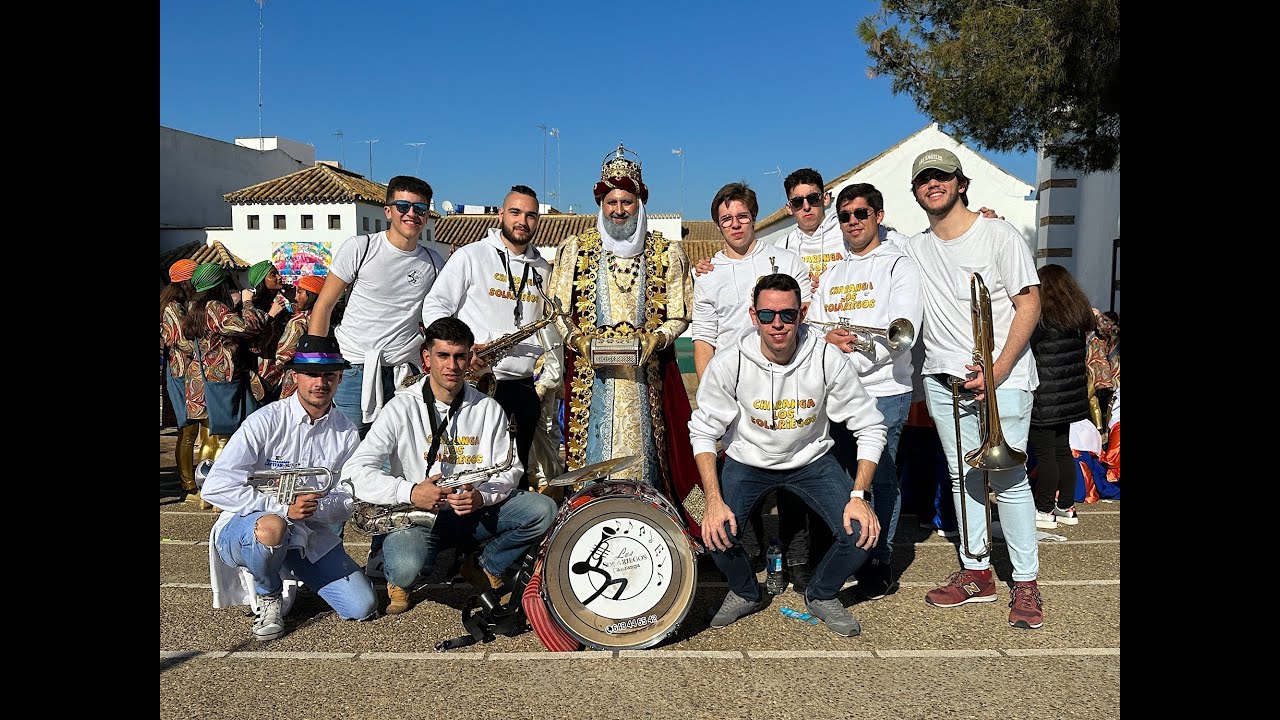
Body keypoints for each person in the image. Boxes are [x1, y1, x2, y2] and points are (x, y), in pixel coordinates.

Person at [689, 273, 886, 636]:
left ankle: (821, 593)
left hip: (811, 460)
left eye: (787, 315)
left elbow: (871, 425)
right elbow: (703, 431)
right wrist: (713, 500)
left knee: (862, 531)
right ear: (753, 316)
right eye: (767, 316)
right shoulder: (730, 361)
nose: (777, 324)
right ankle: (745, 591)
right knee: (710, 527)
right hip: (748, 461)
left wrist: (859, 496)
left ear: (803, 313)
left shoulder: (827, 358)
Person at [901, 148, 1045, 630]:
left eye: (942, 177)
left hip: (1002, 378)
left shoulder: (998, 234)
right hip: (943, 379)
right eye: (924, 180)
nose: (933, 185)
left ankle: (1025, 582)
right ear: (916, 192)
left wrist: (999, 369)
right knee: (963, 479)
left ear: (961, 183)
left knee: (1008, 478)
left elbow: (1029, 304)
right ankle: (977, 570)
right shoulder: (915, 247)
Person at [344, 318, 557, 615]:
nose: (452, 366)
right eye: (443, 356)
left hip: (472, 511)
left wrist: (482, 496)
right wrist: (410, 491)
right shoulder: (400, 407)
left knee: (543, 510)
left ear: (470, 357)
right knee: (407, 569)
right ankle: (396, 572)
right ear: (426, 358)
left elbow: (511, 470)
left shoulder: (488, 408)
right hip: (418, 513)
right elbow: (354, 472)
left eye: (460, 356)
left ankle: (484, 565)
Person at [548, 143, 699, 527]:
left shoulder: (667, 253)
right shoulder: (574, 250)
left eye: (627, 201)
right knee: (590, 463)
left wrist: (658, 339)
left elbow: (681, 312)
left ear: (640, 202)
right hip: (590, 378)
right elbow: (557, 310)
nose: (619, 210)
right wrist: (576, 339)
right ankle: (589, 526)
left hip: (646, 378)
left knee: (661, 456)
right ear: (602, 204)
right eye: (612, 202)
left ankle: (662, 526)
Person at [202, 334, 378, 641]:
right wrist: (283, 508)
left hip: (307, 532)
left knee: (361, 606)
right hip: (248, 527)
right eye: (311, 374)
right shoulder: (265, 421)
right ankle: (268, 592)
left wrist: (316, 506)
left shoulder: (347, 432)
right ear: (295, 376)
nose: (320, 383)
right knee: (273, 528)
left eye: (328, 375)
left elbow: (349, 496)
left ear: (338, 378)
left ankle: (281, 565)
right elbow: (215, 486)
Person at [692, 181, 813, 590]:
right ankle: (753, 549)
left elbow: (805, 319)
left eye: (742, 216)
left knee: (792, 470)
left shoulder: (785, 259)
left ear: (755, 218)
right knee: (741, 474)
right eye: (726, 219)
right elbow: (704, 337)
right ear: (717, 224)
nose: (735, 224)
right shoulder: (708, 274)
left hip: (785, 380)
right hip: (734, 386)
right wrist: (710, 392)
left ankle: (797, 557)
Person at [807, 183, 922, 600]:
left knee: (882, 476)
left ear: (878, 215)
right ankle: (847, 549)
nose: (852, 222)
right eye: (845, 216)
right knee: (839, 475)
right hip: (837, 392)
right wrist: (829, 345)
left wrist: (848, 352)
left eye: (860, 213)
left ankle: (880, 558)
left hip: (883, 388)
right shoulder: (834, 272)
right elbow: (815, 327)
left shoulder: (899, 266)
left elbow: (903, 333)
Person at [421, 185, 554, 489]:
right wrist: (460, 350)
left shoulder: (543, 269)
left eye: (531, 215)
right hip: (477, 384)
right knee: (470, 470)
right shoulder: (471, 256)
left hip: (522, 388)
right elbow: (436, 305)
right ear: (500, 214)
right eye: (516, 212)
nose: (523, 221)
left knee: (514, 474)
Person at [308, 175, 446, 437]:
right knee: (348, 446)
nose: (411, 214)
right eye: (403, 206)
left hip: (405, 373)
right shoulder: (362, 247)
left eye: (420, 209)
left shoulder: (434, 263)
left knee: (399, 450)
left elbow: (441, 316)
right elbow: (324, 306)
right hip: (354, 369)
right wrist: (315, 366)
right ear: (388, 211)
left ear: (427, 216)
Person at [179, 262, 266, 473]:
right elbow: (248, 326)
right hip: (219, 380)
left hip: (197, 380)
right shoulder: (215, 308)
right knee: (222, 439)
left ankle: (203, 491)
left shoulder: (192, 307)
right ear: (218, 284)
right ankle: (213, 492)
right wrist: (247, 303)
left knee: (207, 437)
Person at [1026, 264, 1095, 529]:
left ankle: (1044, 509)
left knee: (1045, 454)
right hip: (1069, 397)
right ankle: (1066, 506)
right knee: (1062, 450)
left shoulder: (1043, 318)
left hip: (1045, 395)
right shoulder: (1076, 317)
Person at [161, 259, 200, 501]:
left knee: (189, 430)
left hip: (182, 372)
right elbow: (179, 340)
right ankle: (187, 485)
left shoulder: (177, 304)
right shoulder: (173, 308)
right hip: (180, 372)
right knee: (187, 430)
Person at [264, 273, 326, 401]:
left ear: (311, 296)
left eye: (300, 292)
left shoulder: (298, 322)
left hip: (297, 381)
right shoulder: (328, 319)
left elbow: (283, 355)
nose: (296, 297)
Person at [243, 260, 293, 404]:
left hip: (278, 368)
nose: (279, 277)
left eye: (277, 273)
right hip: (261, 370)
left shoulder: (279, 303)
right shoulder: (254, 306)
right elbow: (251, 334)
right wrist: (270, 316)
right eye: (273, 275)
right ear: (261, 281)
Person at [1086, 310, 1120, 433]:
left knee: (1088, 397)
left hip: (1103, 371)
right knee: (1092, 399)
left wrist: (1098, 316)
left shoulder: (1113, 331)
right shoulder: (1092, 331)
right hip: (1092, 370)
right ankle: (1100, 429)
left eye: (1107, 320)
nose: (1103, 322)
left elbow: (1104, 328)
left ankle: (1105, 431)